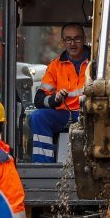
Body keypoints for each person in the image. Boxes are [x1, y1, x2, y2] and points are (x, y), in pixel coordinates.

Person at [28, 23, 89, 162]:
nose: (73, 43)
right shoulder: (55, 66)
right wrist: (54, 100)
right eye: (68, 39)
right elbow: (39, 98)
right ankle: (43, 166)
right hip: (65, 114)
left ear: (84, 39)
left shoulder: (96, 63)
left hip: (91, 112)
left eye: (77, 39)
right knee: (37, 117)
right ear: (63, 42)